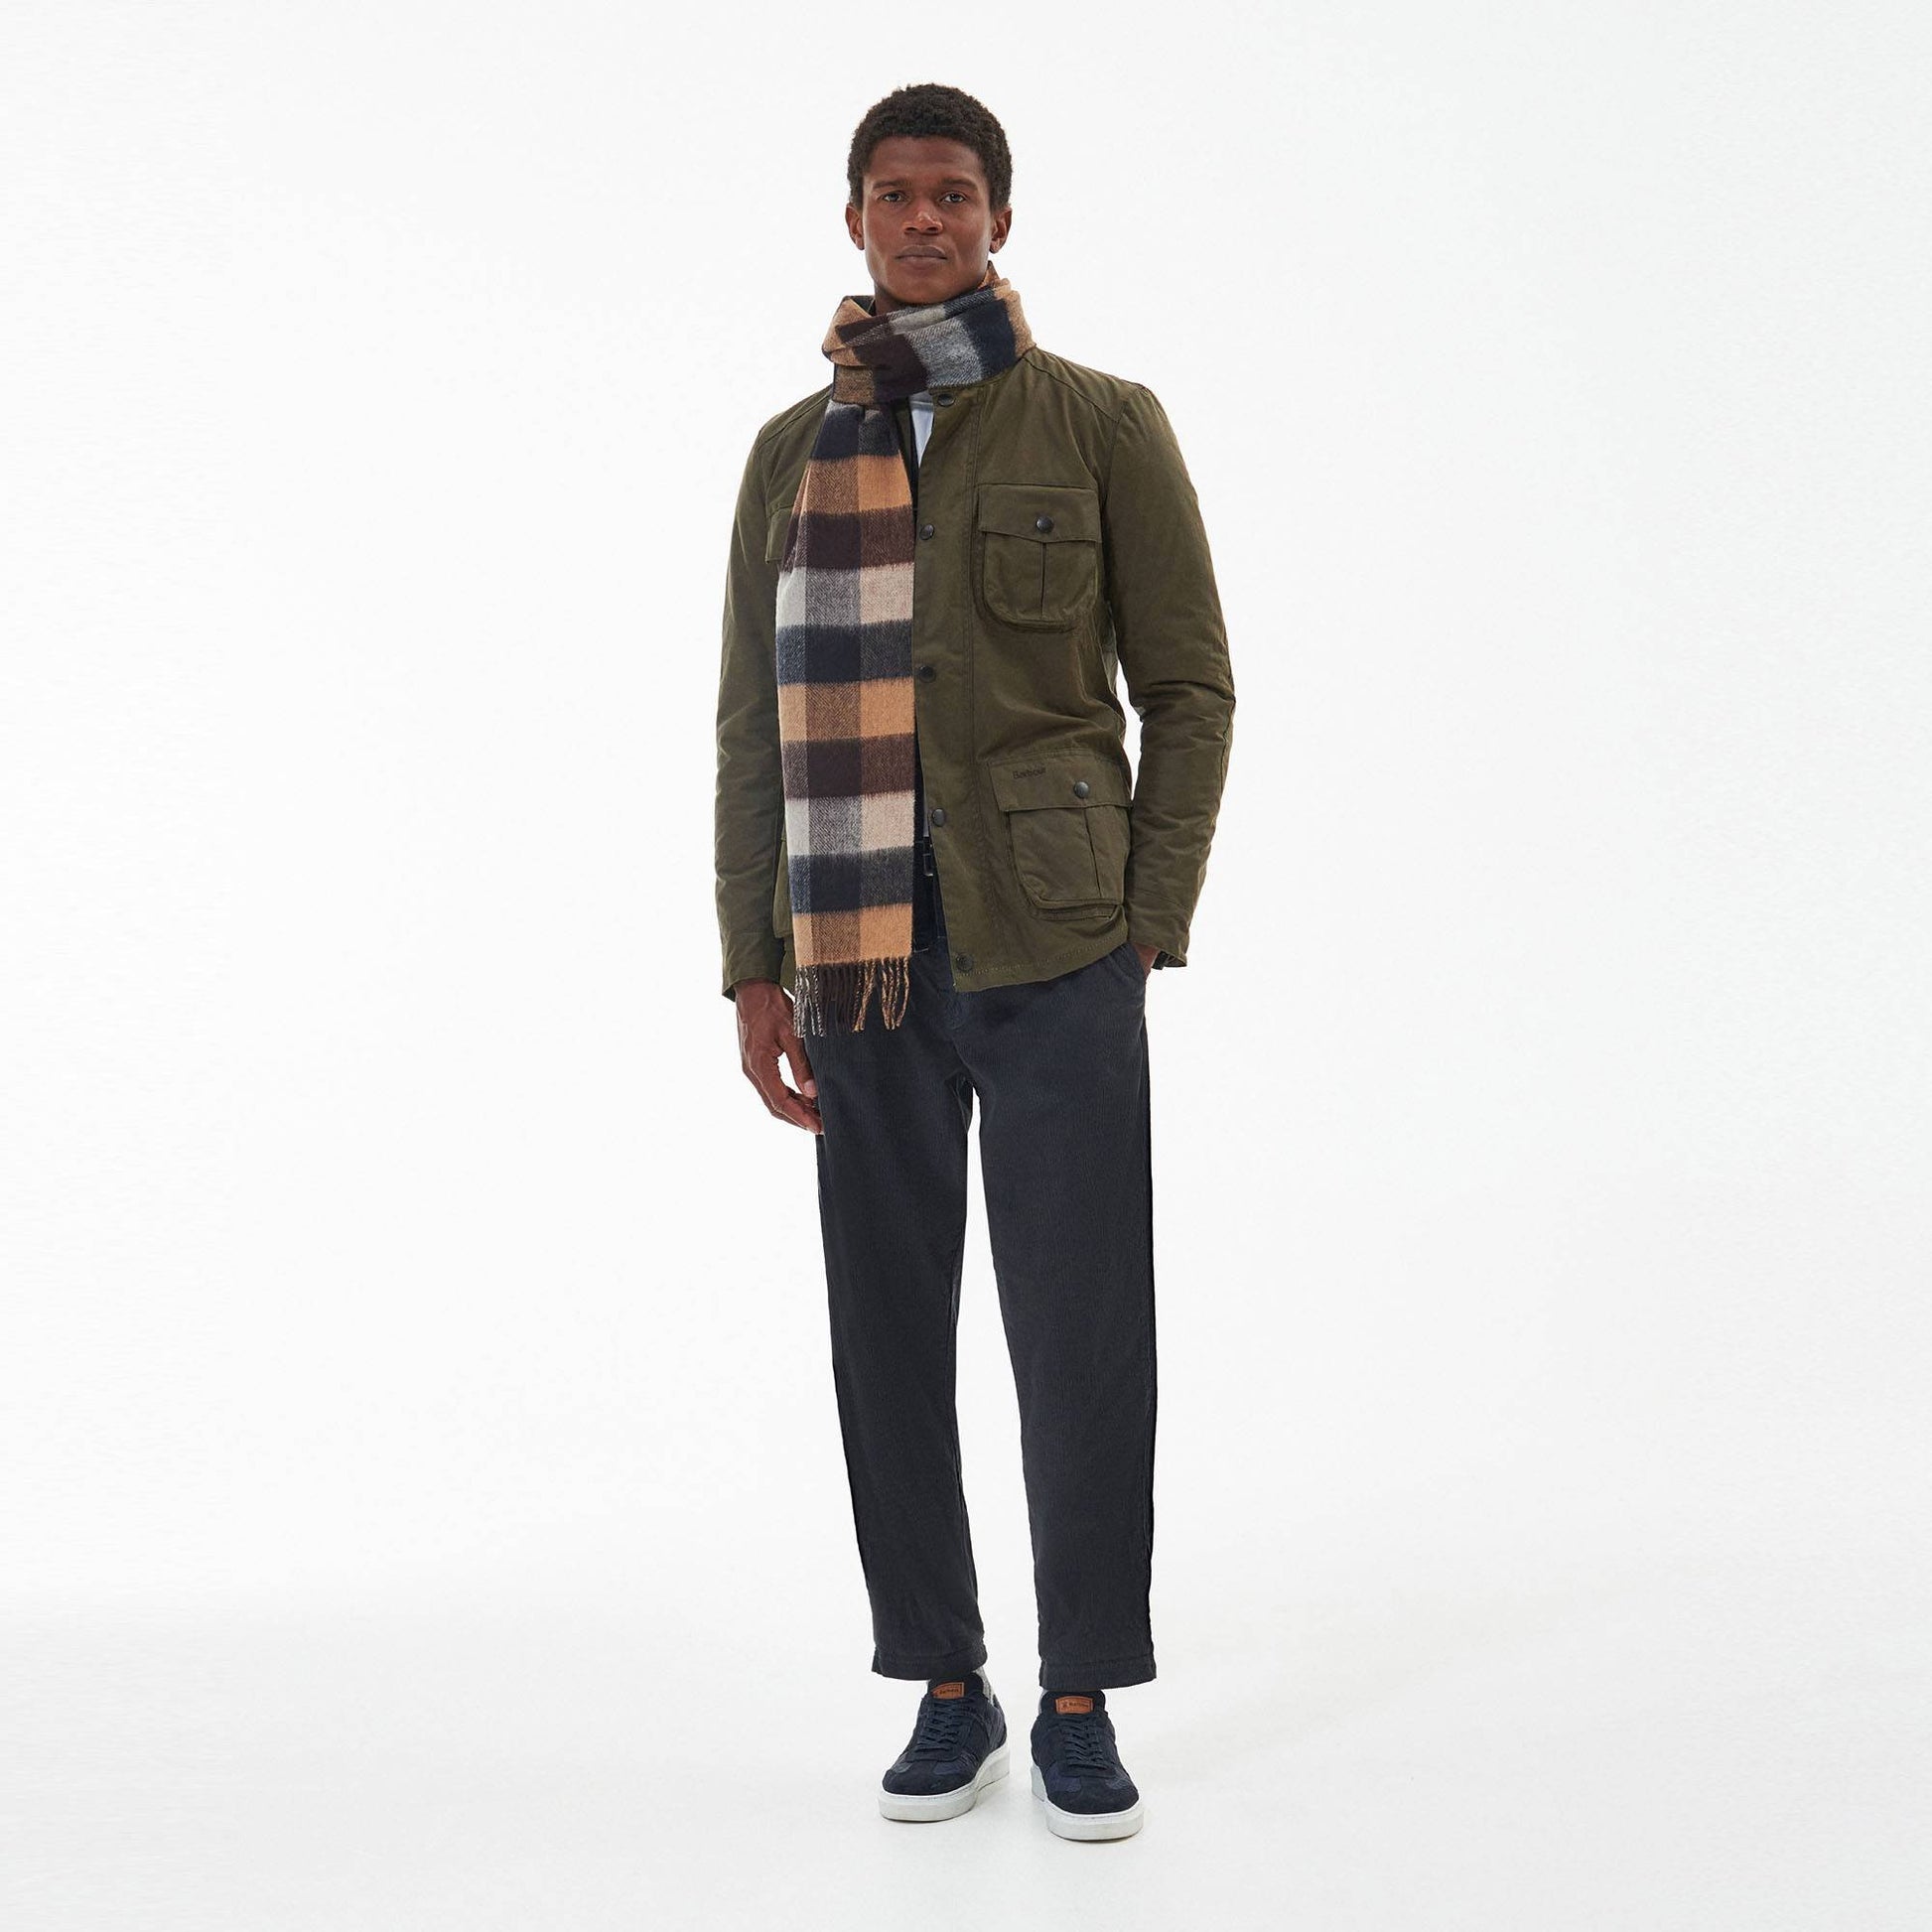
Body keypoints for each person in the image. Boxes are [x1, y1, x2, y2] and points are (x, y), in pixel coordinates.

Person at [712, 81, 1235, 1842]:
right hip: (854, 949)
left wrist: (1147, 915)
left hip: (1057, 938)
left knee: (1078, 1324)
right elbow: (749, 727)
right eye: (893, 193)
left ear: (999, 218)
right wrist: (752, 961)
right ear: (854, 220)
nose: (922, 218)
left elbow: (1189, 685)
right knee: (885, 1328)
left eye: (951, 192)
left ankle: (1079, 1686)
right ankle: (948, 1678)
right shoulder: (790, 453)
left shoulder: (1099, 421)